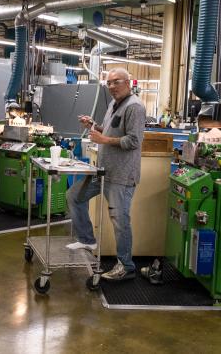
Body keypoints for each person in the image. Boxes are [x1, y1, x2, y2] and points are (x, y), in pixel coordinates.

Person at [66, 68, 145, 281]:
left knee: (120, 221)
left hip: (121, 175)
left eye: (115, 82)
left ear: (128, 83)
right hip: (102, 170)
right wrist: (93, 125)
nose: (111, 87)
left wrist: (104, 140)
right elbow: (108, 131)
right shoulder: (113, 104)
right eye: (108, 83)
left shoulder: (135, 107)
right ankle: (86, 239)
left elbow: (134, 141)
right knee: (74, 196)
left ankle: (126, 266)